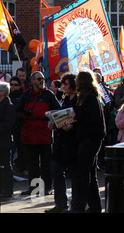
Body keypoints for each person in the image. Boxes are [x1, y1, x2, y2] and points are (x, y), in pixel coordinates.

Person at [16, 71, 61, 196]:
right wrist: (24, 115)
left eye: (42, 78)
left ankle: (47, 187)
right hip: (30, 135)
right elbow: (17, 112)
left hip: (44, 135)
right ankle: (34, 188)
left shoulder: (48, 95)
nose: (41, 80)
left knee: (46, 164)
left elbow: (57, 110)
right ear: (33, 81)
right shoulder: (26, 95)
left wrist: (50, 118)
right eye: (38, 79)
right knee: (32, 164)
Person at [68, 70, 106, 213]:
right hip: (91, 137)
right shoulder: (90, 97)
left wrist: (76, 116)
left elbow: (90, 119)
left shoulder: (89, 98)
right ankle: (95, 206)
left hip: (90, 138)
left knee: (83, 174)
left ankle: (79, 206)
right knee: (90, 174)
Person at [45, 73, 79, 213]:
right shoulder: (64, 99)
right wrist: (53, 122)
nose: (63, 87)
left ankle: (76, 204)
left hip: (72, 142)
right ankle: (60, 203)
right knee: (56, 172)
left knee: (74, 175)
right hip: (60, 142)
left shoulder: (78, 100)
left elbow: (81, 120)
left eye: (65, 84)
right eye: (62, 84)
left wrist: (72, 125)